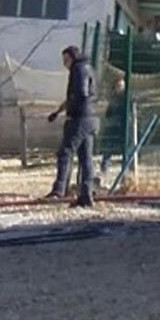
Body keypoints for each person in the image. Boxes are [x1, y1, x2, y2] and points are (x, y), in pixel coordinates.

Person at [46, 46, 96, 207]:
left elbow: (79, 94)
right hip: (91, 118)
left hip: (79, 118)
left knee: (65, 153)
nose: (64, 63)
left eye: (66, 60)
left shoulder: (78, 70)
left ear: (73, 58)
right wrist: (58, 111)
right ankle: (87, 194)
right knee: (86, 158)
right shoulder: (89, 68)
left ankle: (59, 191)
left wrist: (70, 112)